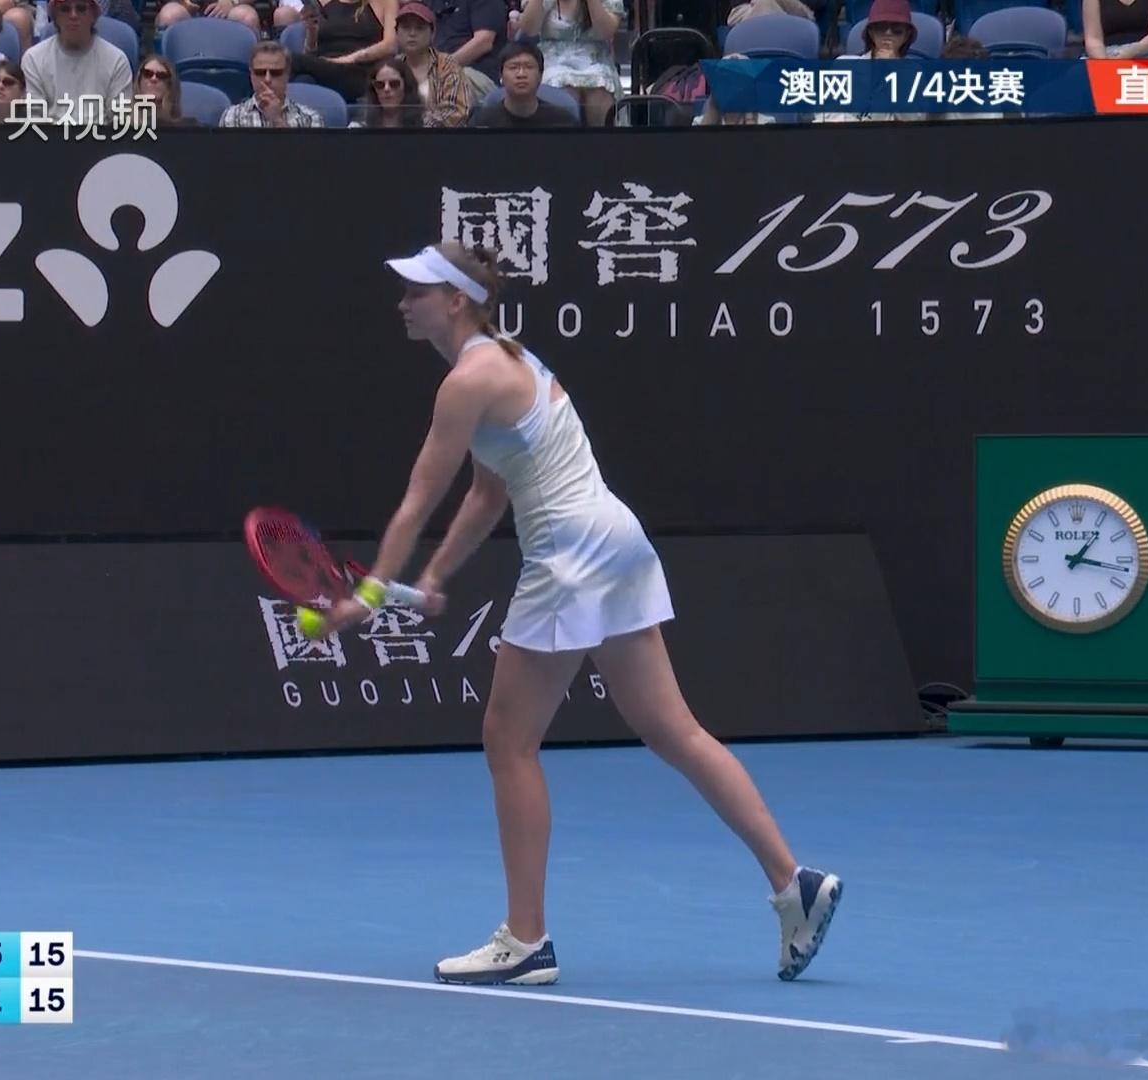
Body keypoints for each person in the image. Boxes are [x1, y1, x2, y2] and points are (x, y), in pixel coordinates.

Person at [305, 242, 843, 986]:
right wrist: (432, 576)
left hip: (569, 557)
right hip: (616, 540)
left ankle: (526, 939)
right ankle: (794, 884)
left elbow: (416, 501)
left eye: (416, 292)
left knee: (507, 740)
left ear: (455, 300)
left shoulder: (467, 381)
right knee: (675, 730)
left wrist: (368, 595)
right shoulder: (509, 361)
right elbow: (487, 494)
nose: (403, 303)